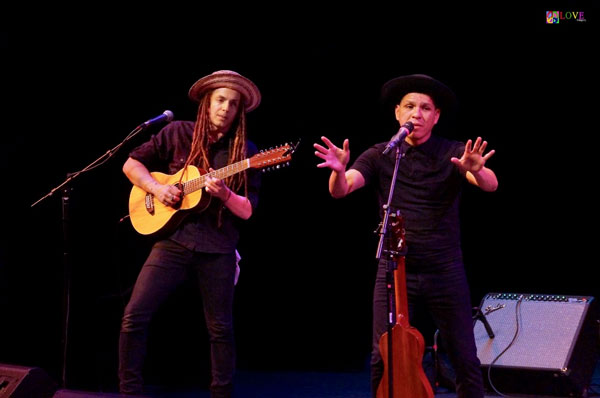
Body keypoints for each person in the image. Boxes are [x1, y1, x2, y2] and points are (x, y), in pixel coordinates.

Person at [314, 74, 498, 398]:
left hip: (444, 270)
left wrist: (478, 168)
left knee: (464, 358)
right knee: (380, 357)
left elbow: (490, 184)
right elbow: (342, 190)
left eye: (426, 108)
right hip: (394, 269)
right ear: (397, 113)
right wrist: (338, 171)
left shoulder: (453, 152)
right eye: (410, 106)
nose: (417, 113)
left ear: (436, 116)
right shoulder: (382, 154)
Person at [118, 70, 262, 398]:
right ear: (207, 104)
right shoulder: (178, 132)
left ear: (239, 111)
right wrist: (157, 187)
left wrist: (225, 194)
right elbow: (131, 165)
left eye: (233, 103)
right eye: (220, 100)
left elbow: (248, 211)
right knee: (133, 317)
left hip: (218, 246)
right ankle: (129, 393)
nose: (226, 107)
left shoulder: (246, 151)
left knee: (220, 329)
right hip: (174, 240)